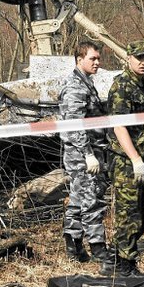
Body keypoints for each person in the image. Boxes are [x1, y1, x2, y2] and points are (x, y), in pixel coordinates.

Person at [59, 41, 112, 274]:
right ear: (79, 60)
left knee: (79, 198)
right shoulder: (75, 87)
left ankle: (73, 245)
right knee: (91, 198)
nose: (97, 62)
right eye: (92, 59)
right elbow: (75, 125)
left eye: (98, 58)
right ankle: (98, 247)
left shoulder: (85, 83)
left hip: (86, 151)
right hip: (82, 153)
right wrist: (89, 154)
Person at [106, 40, 144, 276]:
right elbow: (119, 127)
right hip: (126, 161)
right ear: (128, 58)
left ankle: (120, 257)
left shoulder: (141, 84)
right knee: (129, 213)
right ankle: (124, 265)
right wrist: (135, 159)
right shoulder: (122, 86)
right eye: (139, 58)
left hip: (142, 157)